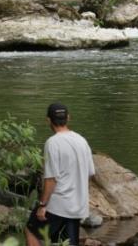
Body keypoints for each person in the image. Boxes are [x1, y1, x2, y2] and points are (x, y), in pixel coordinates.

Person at [25, 103, 95, 246]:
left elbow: (51, 180)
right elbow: (90, 173)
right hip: (77, 205)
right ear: (68, 118)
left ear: (48, 120)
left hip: (57, 205)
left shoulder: (52, 143)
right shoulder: (82, 140)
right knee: (67, 243)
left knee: (31, 231)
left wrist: (42, 205)